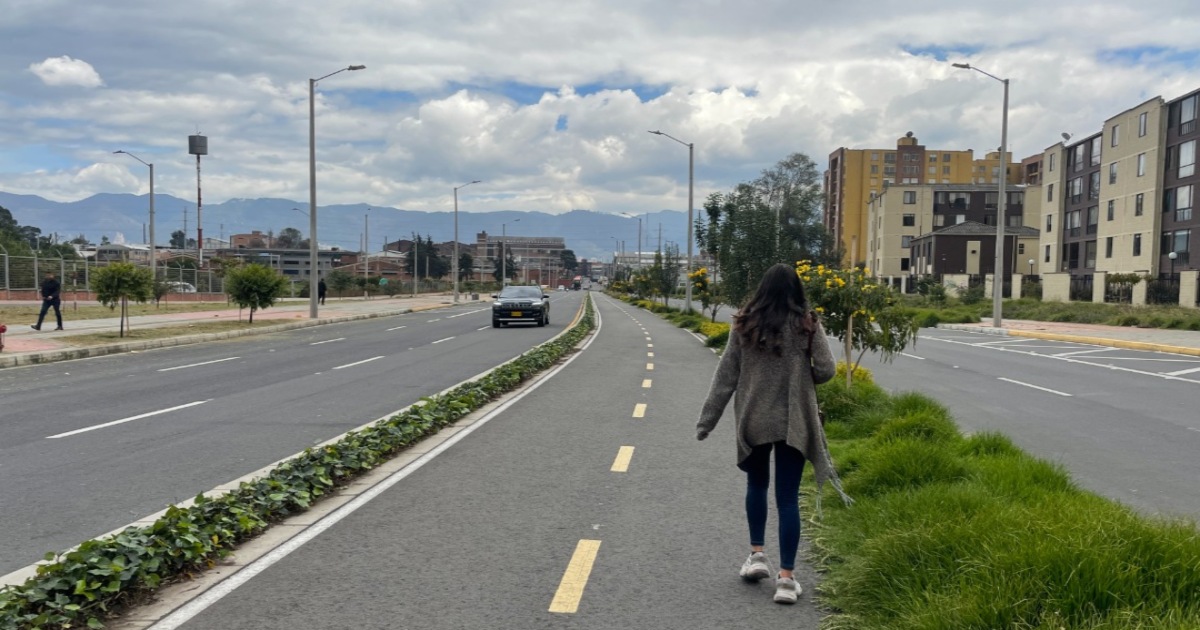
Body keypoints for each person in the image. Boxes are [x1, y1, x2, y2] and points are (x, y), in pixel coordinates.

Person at [696, 263, 849, 605]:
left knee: (756, 486)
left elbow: (726, 377)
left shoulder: (744, 325)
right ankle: (786, 579)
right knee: (788, 498)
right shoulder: (808, 324)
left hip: (754, 420)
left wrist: (707, 421)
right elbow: (826, 371)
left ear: (762, 290)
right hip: (794, 421)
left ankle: (756, 556)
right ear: (796, 290)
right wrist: (801, 367)